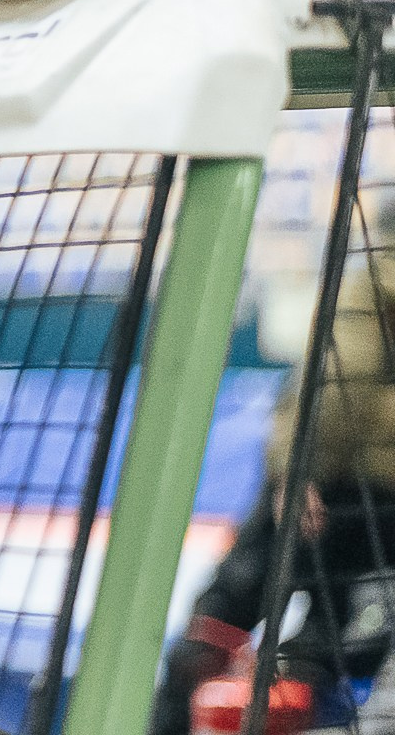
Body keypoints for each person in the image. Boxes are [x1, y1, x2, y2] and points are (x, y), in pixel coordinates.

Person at [152, 239, 395, 734]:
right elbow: (334, 382)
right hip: (360, 498)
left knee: (229, 642)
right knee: (311, 658)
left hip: (331, 489)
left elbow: (326, 380)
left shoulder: (375, 277)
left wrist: (294, 467)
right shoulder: (376, 282)